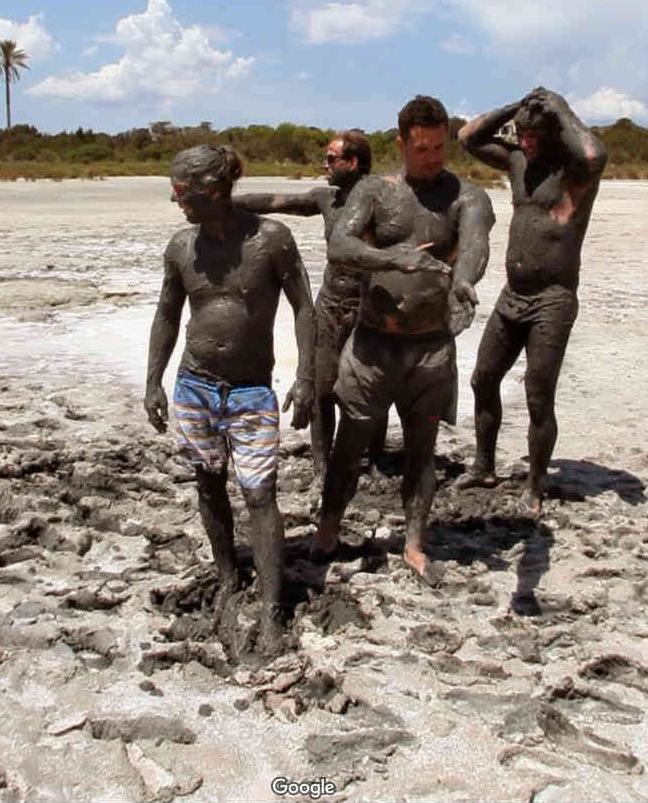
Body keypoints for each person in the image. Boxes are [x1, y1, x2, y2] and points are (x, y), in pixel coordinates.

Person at [314, 95, 494, 586]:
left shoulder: (468, 196)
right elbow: (340, 245)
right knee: (349, 446)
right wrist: (395, 259)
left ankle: (414, 543)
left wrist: (464, 281)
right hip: (372, 347)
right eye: (422, 149)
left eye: (439, 147)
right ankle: (327, 532)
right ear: (401, 143)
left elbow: (476, 245)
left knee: (422, 451)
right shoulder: (376, 190)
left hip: (430, 349)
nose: (433, 157)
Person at [144, 144, 316, 655]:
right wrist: (153, 381)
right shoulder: (181, 248)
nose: (176, 202)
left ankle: (270, 606)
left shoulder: (271, 241)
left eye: (180, 192)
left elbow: (306, 309)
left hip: (250, 390)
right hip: (194, 385)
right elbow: (167, 315)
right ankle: (226, 577)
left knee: (260, 494)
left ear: (212, 191)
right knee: (207, 482)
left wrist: (306, 377)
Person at [455, 87, 607, 514]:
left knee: (539, 395)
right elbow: (468, 136)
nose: (525, 142)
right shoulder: (517, 160)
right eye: (520, 134)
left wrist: (560, 107)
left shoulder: (575, 168)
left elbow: (596, 155)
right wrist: (514, 106)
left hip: (553, 299)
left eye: (533, 135)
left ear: (554, 132)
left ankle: (536, 485)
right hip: (512, 295)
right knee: (483, 378)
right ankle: (484, 465)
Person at [232, 130, 387, 483]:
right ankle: (322, 465)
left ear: (354, 163)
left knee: (373, 387)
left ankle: (376, 459)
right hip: (331, 303)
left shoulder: (385, 199)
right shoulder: (325, 199)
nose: (325, 165)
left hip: (372, 306)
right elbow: (276, 201)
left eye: (332, 159)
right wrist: (226, 202)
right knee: (322, 388)